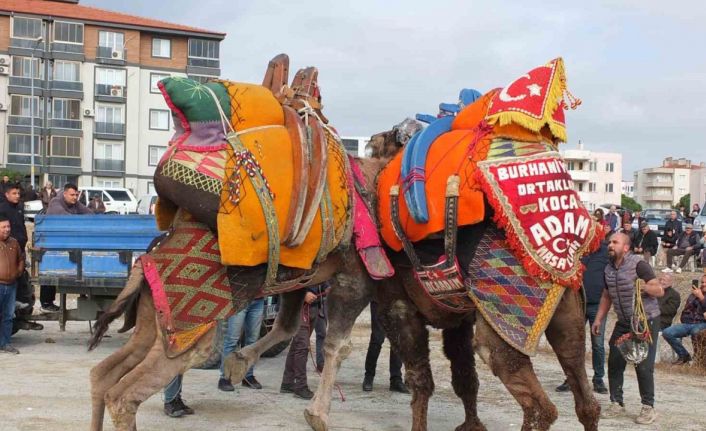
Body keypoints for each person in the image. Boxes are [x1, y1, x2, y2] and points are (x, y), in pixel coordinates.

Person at [592, 232, 663, 424]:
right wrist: (598, 319)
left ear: (626, 247)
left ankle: (648, 407)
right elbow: (606, 296)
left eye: (615, 242)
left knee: (643, 364)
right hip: (623, 321)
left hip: (644, 320)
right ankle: (617, 403)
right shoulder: (608, 269)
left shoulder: (639, 264)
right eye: (609, 242)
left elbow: (659, 290)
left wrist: (643, 287)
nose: (610, 245)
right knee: (615, 360)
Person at [556, 238, 609, 394]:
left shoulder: (606, 252)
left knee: (597, 344)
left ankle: (598, 379)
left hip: (598, 306)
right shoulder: (578, 250)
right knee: (573, 343)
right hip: (578, 304)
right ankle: (571, 379)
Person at [41, 184, 94, 312]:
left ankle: (85, 292)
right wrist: (81, 220)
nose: (75, 197)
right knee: (50, 272)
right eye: (72, 195)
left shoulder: (75, 204)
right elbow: (65, 217)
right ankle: (46, 303)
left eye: (76, 195)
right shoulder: (55, 202)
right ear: (64, 194)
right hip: (51, 244)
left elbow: (90, 213)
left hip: (66, 243)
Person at [280, 282, 328, 399]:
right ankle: (300, 386)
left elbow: (321, 278)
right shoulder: (294, 263)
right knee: (302, 346)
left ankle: (287, 382)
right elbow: (286, 281)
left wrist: (327, 287)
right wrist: (304, 294)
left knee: (297, 344)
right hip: (298, 308)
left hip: (314, 307)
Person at [217, 298, 265, 391]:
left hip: (259, 299)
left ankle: (248, 376)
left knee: (253, 342)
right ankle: (224, 378)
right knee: (232, 340)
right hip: (240, 299)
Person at [362, 301, 409, 394]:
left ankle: (396, 379)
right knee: (377, 338)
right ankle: (369, 376)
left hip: (399, 299)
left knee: (397, 340)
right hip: (379, 298)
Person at [661, 275, 706, 365]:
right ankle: (684, 356)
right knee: (667, 332)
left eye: (705, 282)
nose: (703, 284)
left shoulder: (699, 294)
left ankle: (698, 359)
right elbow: (686, 309)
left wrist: (701, 297)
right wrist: (684, 318)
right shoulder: (694, 294)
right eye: (702, 282)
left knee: (695, 331)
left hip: (702, 323)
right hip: (688, 323)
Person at [0, 215, 25, 354]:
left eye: (8, 226)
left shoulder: (14, 243)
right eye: (3, 227)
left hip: (11, 286)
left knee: (8, 316)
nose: (7, 229)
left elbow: (21, 259)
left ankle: (5, 343)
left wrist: (18, 271)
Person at [656, 274, 680, 362]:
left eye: (665, 280)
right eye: (661, 279)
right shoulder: (655, 292)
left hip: (663, 322)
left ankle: (653, 357)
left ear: (671, 282)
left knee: (650, 329)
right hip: (649, 319)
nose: (662, 282)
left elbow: (670, 310)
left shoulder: (674, 295)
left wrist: (653, 308)